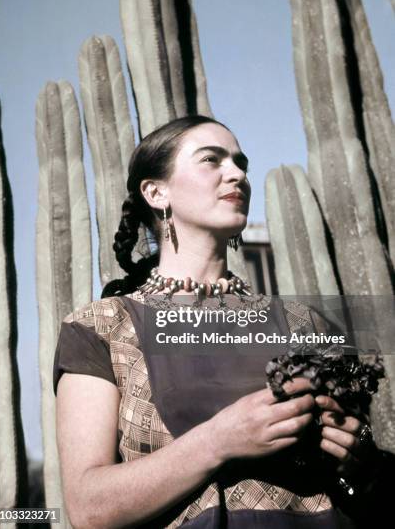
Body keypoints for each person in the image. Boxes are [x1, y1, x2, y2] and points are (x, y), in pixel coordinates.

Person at [54, 115, 390, 529]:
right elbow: (88, 508)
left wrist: (360, 462)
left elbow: (365, 482)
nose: (238, 174)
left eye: (240, 163)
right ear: (157, 192)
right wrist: (219, 440)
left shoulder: (307, 323)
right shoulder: (102, 327)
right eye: (212, 160)